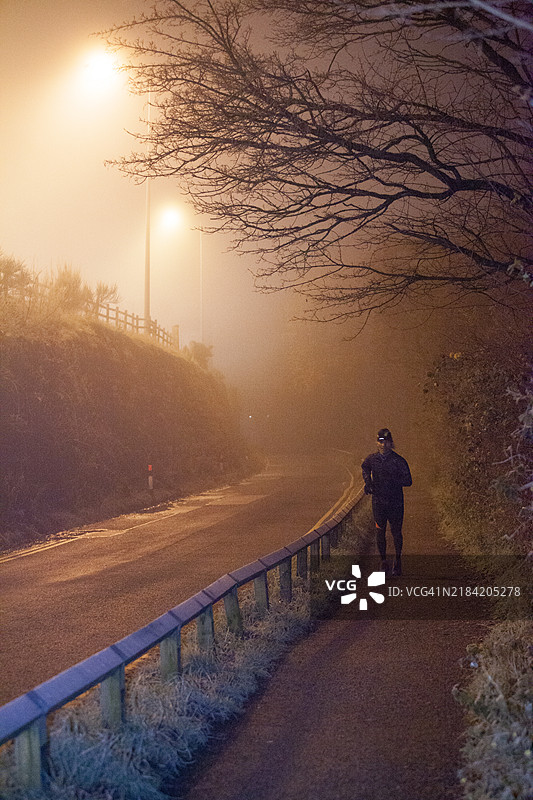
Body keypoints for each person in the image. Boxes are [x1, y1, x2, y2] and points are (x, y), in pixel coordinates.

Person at [361, 428, 412, 576]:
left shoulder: (399, 461)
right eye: (381, 442)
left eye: (387, 442)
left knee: (396, 532)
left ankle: (398, 562)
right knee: (380, 531)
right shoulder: (372, 459)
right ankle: (383, 562)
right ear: (377, 443)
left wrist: (392, 481)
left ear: (391, 443)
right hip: (379, 502)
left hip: (396, 502)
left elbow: (408, 481)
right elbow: (364, 468)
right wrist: (368, 482)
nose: (383, 445)